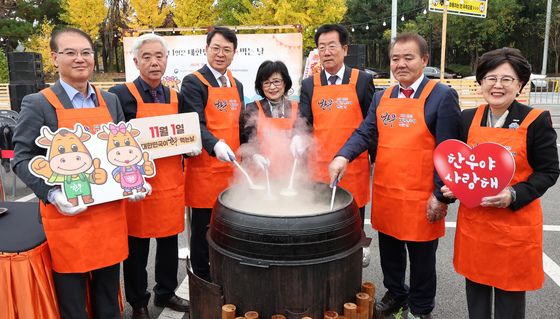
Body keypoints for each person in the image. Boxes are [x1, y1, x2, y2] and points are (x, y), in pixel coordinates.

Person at [328, 32, 461, 319]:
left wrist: (440, 195)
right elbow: (365, 132)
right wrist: (343, 155)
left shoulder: (442, 96)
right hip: (388, 192)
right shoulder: (382, 96)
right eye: (395, 58)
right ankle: (396, 294)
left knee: (422, 259)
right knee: (390, 253)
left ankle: (421, 307)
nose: (401, 64)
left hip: (421, 196)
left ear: (424, 60)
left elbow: (449, 151)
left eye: (408, 57)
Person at [12, 27, 129, 319]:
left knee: (107, 295)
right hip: (68, 217)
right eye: (70, 52)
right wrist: (51, 192)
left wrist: (133, 181)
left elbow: (123, 147)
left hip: (108, 215)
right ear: (54, 58)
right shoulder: (38, 103)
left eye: (86, 52)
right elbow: (21, 157)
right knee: (73, 302)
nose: (80, 59)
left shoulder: (110, 101)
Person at [442, 47, 559, 319]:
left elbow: (549, 171)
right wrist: (452, 189)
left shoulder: (535, 120)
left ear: (519, 85)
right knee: (477, 293)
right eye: (490, 78)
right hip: (476, 225)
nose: (497, 85)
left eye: (507, 79)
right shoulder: (468, 118)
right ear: (480, 82)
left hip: (514, 226)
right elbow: (459, 165)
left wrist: (514, 194)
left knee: (509, 299)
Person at [109, 33, 195, 319]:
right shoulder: (120, 96)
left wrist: (192, 148)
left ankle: (166, 292)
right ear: (135, 61)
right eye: (147, 57)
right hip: (138, 186)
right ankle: (138, 302)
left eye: (159, 56)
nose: (154, 62)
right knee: (137, 246)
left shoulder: (176, 96)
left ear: (167, 60)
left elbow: (185, 135)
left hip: (170, 182)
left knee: (169, 242)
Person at [291, 24, 375, 263]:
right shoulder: (309, 84)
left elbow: (371, 126)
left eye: (332, 46)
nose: (326, 52)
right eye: (321, 47)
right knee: (321, 221)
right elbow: (303, 120)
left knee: (352, 220)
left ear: (345, 49)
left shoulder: (362, 81)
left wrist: (376, 159)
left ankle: (352, 266)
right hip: (319, 165)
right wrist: (297, 137)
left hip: (353, 166)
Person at [180, 26, 244, 282]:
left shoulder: (236, 84)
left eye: (226, 50)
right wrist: (215, 144)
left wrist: (253, 151)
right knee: (204, 229)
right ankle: (202, 278)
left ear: (234, 53)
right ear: (206, 49)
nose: (221, 54)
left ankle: (225, 271)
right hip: (204, 171)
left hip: (231, 170)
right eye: (215, 48)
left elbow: (240, 123)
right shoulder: (194, 82)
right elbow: (195, 123)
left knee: (229, 225)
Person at [240, 60, 297, 174]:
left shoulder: (297, 108)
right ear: (261, 86)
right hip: (260, 172)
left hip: (290, 175)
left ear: (285, 83)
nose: (272, 87)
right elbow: (245, 140)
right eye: (266, 83)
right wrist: (254, 154)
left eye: (276, 82)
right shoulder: (252, 108)